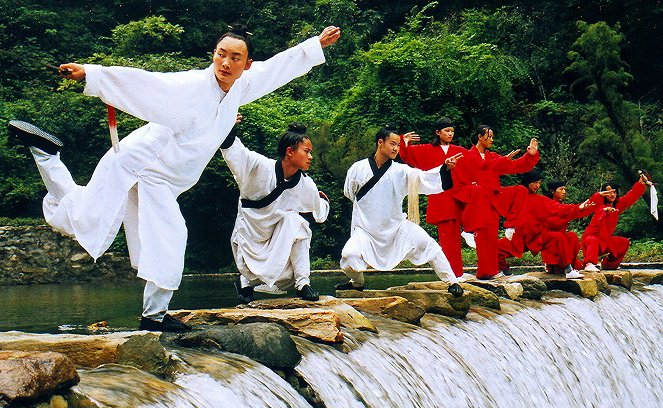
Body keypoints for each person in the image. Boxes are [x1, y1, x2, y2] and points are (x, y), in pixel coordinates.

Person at [8, 24, 341, 332]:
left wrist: (315, 45)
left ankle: (45, 153)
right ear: (214, 55)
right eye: (220, 54)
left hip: (162, 179)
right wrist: (92, 75)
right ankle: (153, 316)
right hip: (142, 164)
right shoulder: (193, 86)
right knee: (93, 221)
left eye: (235, 57)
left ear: (246, 64)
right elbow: (147, 84)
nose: (225, 62)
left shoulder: (241, 87)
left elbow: (277, 68)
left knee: (87, 217)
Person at [335, 125, 464, 296]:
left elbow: (424, 178)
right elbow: (349, 193)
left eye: (398, 145)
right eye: (392, 144)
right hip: (365, 230)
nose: (396, 148)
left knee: (429, 245)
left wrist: (444, 169)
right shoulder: (357, 168)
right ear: (380, 143)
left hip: (396, 227)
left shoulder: (401, 171)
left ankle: (452, 281)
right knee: (349, 255)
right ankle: (357, 282)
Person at [220, 118, 329, 303]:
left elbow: (319, 214)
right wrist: (227, 124)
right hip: (249, 237)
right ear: (290, 151)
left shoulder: (306, 185)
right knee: (250, 268)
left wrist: (324, 202)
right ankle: (244, 281)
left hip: (277, 241)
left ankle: (303, 283)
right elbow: (233, 151)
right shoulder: (259, 166)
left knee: (297, 222)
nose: (311, 157)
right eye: (307, 151)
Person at [453, 125, 539, 279]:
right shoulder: (467, 156)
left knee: (520, 190)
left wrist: (530, 156)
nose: (492, 140)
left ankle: (511, 225)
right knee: (485, 237)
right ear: (480, 137)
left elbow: (515, 166)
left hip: (494, 198)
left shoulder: (492, 156)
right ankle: (486, 270)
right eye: (489, 136)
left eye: (493, 136)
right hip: (477, 200)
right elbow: (459, 178)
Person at [397, 117, 470, 279]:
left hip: (457, 197)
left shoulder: (460, 151)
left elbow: (475, 165)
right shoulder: (427, 150)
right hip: (439, 198)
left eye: (452, 130)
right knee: (446, 239)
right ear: (438, 132)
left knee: (455, 238)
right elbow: (407, 155)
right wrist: (403, 140)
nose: (450, 133)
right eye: (447, 131)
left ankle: (457, 272)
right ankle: (453, 274)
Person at [496, 169, 590, 278]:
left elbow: (558, 208)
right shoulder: (514, 192)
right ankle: (504, 270)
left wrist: (578, 207)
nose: (537, 185)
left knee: (557, 237)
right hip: (518, 234)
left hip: (536, 235)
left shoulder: (539, 199)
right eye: (535, 182)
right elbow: (495, 195)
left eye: (539, 183)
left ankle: (568, 270)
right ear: (528, 181)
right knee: (494, 247)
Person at [581, 174, 651, 271]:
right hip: (591, 241)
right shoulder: (598, 203)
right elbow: (597, 207)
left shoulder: (617, 204)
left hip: (605, 240)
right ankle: (589, 264)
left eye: (614, 192)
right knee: (593, 239)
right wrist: (605, 210)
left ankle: (608, 264)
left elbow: (631, 196)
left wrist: (640, 183)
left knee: (623, 242)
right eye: (609, 192)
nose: (612, 195)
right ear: (603, 193)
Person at [542, 180, 596, 272]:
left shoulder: (561, 204)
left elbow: (571, 212)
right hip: (549, 237)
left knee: (572, 236)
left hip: (560, 236)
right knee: (559, 237)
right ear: (552, 191)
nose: (564, 192)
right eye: (561, 189)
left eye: (564, 189)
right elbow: (555, 220)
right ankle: (562, 267)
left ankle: (571, 264)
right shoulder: (547, 204)